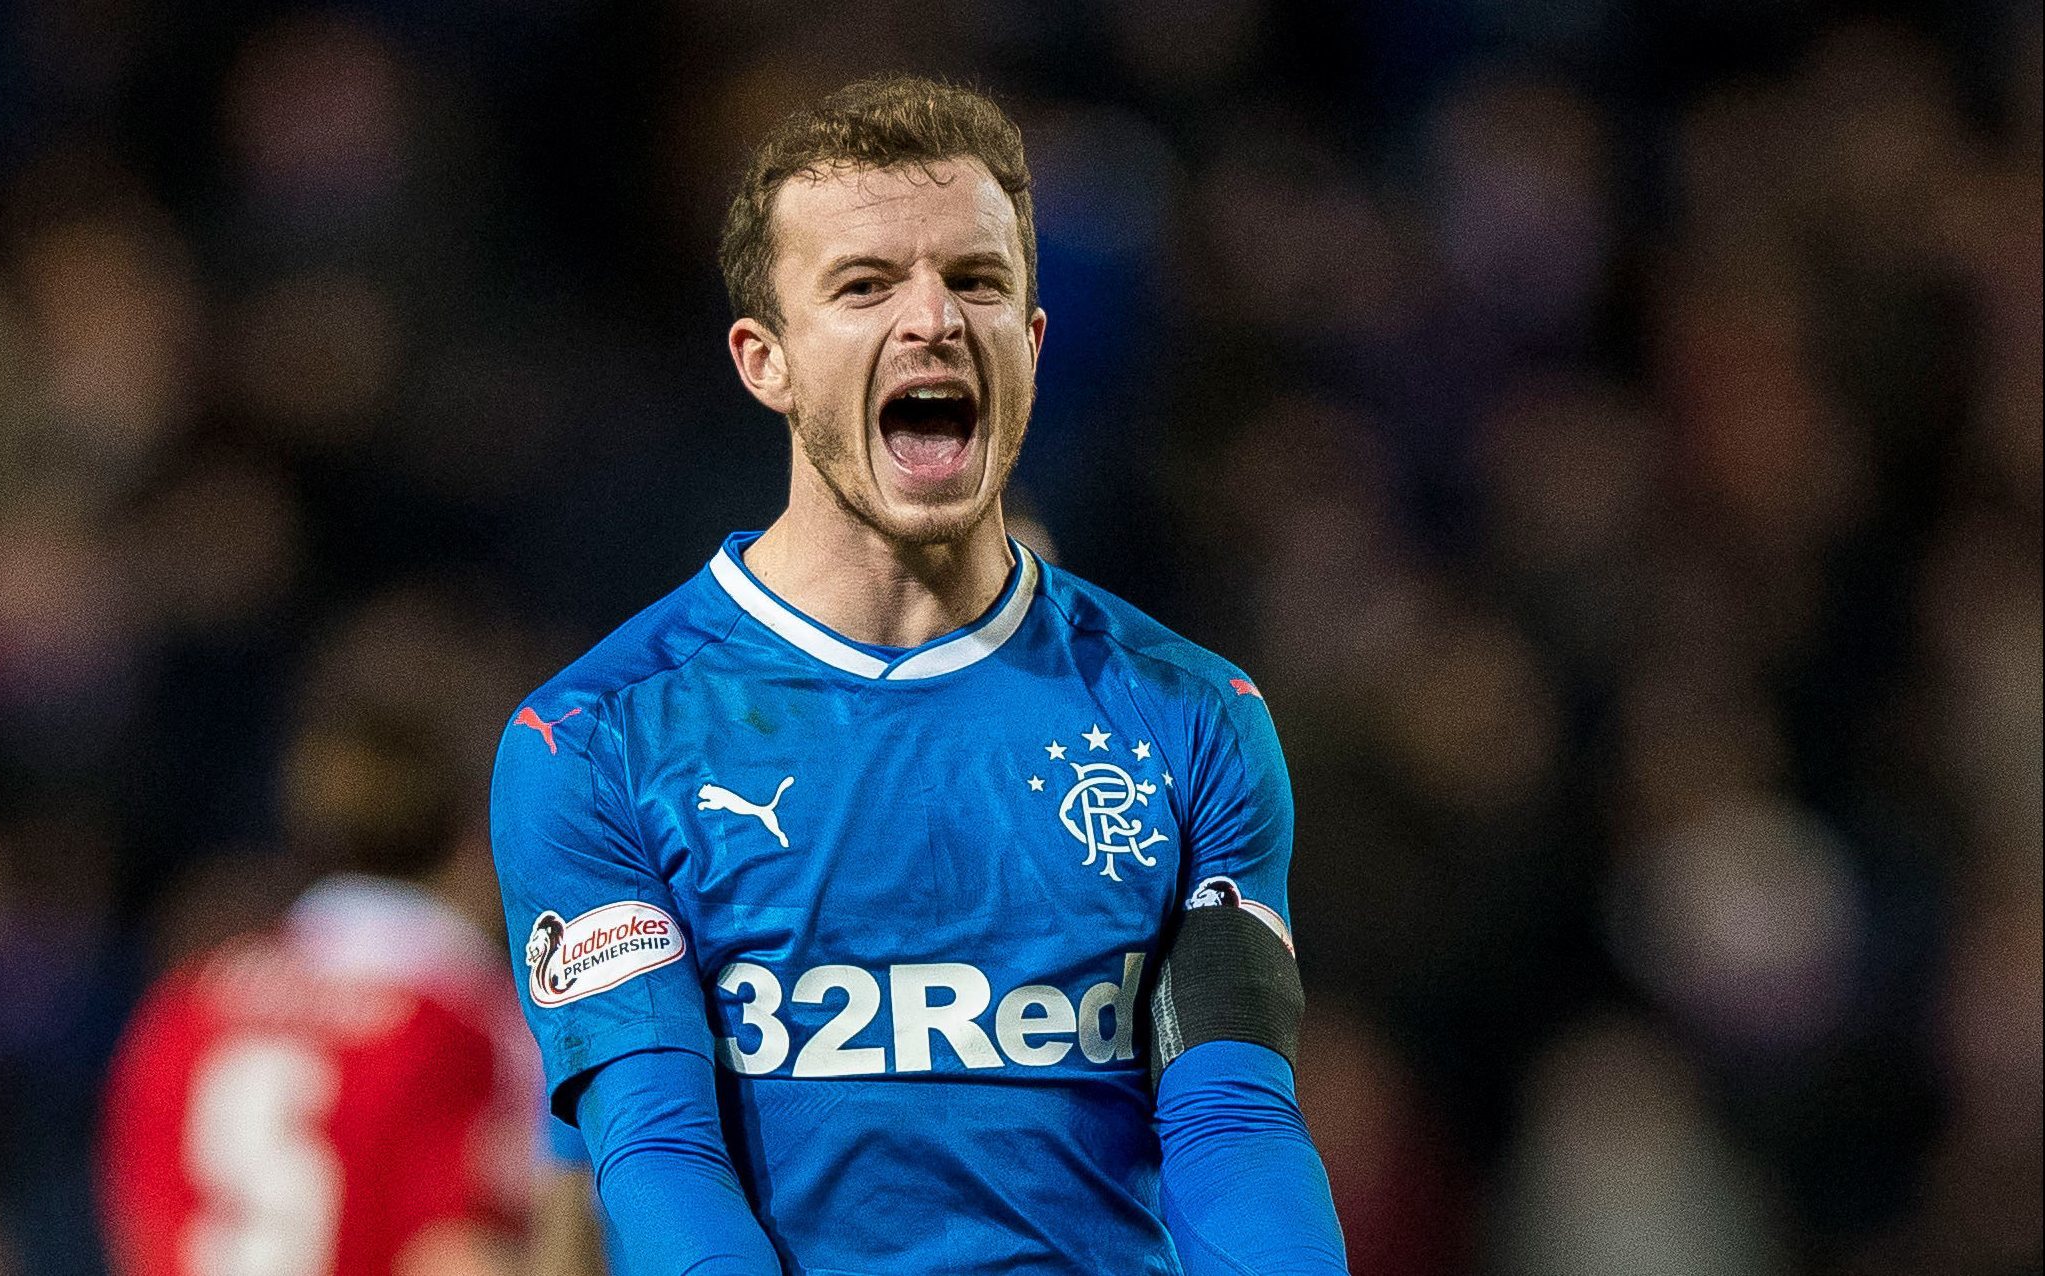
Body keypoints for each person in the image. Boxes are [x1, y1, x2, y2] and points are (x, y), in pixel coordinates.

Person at [491, 76, 1350, 1275]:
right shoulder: (595, 738)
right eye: (864, 285)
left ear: (1033, 342)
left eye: (978, 280)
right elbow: (658, 1151)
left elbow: (1231, 1122)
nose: (934, 319)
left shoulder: (1192, 716)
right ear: (765, 360)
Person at [100, 714, 606, 1276]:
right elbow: (457, 1254)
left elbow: (142, 1227)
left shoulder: (186, 1005)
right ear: (471, 844)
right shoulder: (467, 1021)